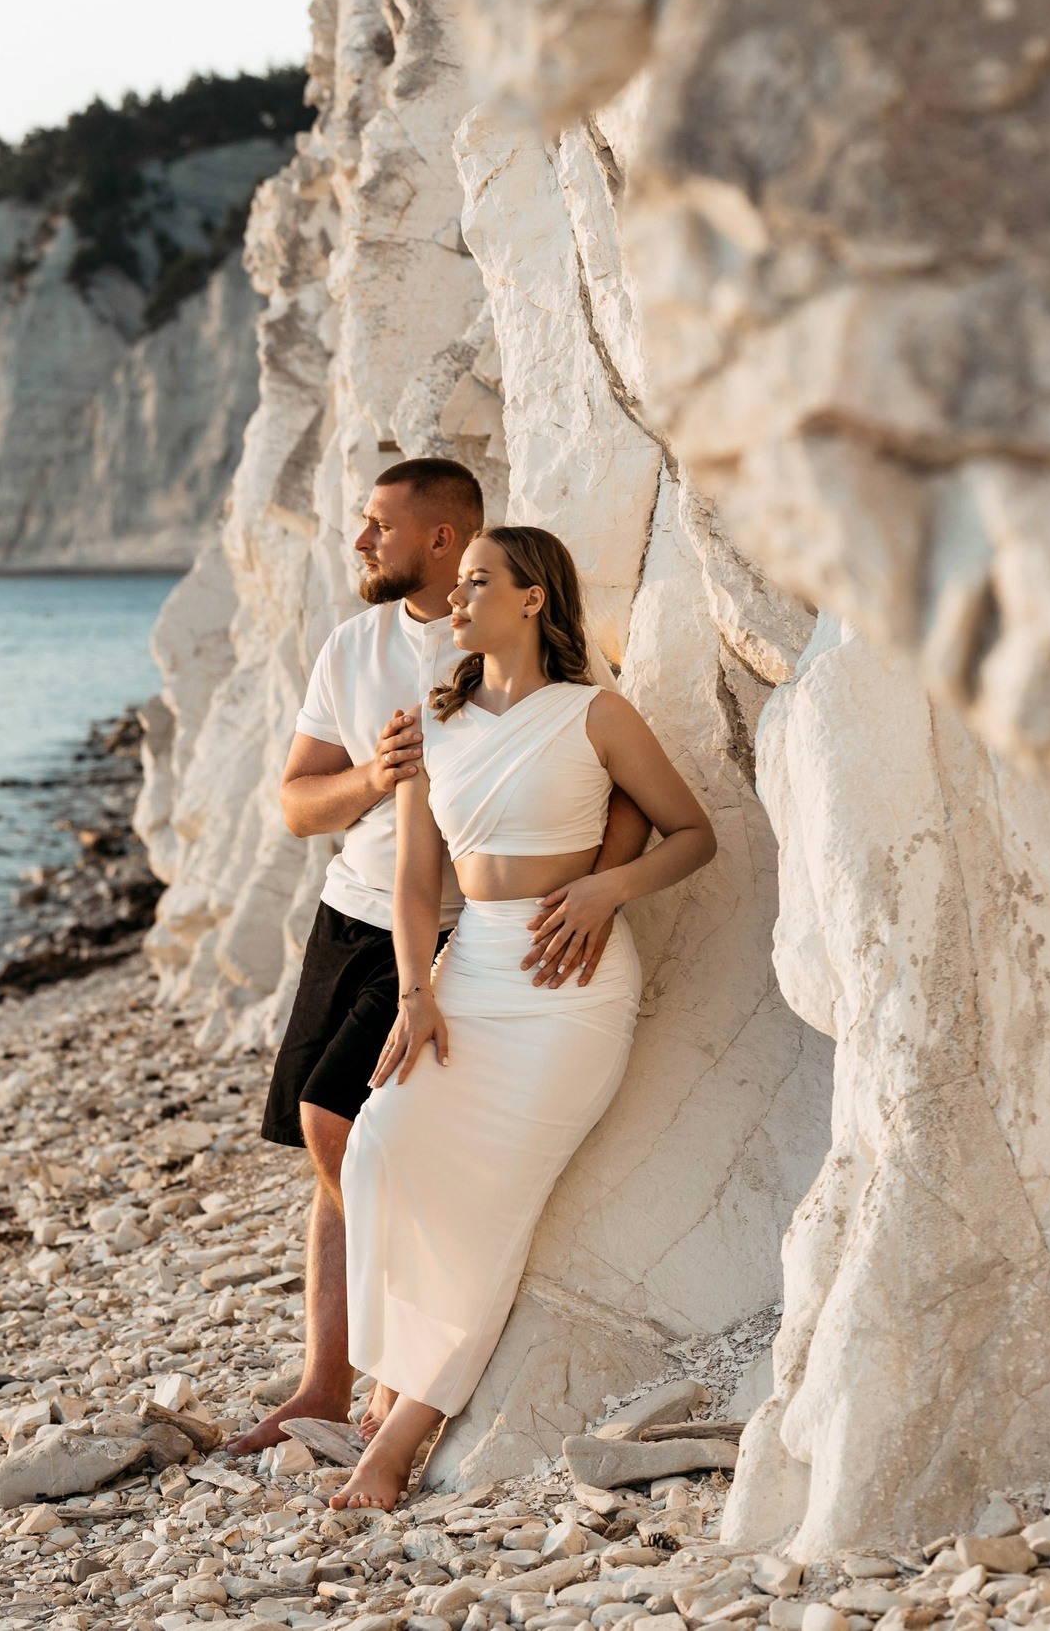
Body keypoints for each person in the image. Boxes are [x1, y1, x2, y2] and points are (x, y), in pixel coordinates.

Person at [226, 461, 645, 1456]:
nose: (360, 542)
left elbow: (615, 780)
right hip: (351, 912)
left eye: (379, 525)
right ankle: (328, 1379)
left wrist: (590, 887)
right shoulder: (353, 646)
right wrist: (375, 775)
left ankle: (390, 1370)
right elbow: (294, 805)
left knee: (348, 1127)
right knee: (326, 1147)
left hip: (467, 934)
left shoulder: (532, 666)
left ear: (445, 540)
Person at [326, 524, 716, 1510]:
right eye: (455, 586)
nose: (453, 602)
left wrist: (607, 890)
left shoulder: (596, 716)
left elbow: (691, 834)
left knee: (490, 1212)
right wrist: (415, 994)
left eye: (474, 583)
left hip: (567, 993)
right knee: (378, 1150)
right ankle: (388, 1375)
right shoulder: (433, 721)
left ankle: (395, 1446)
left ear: (534, 597)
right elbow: (417, 881)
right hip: (471, 971)